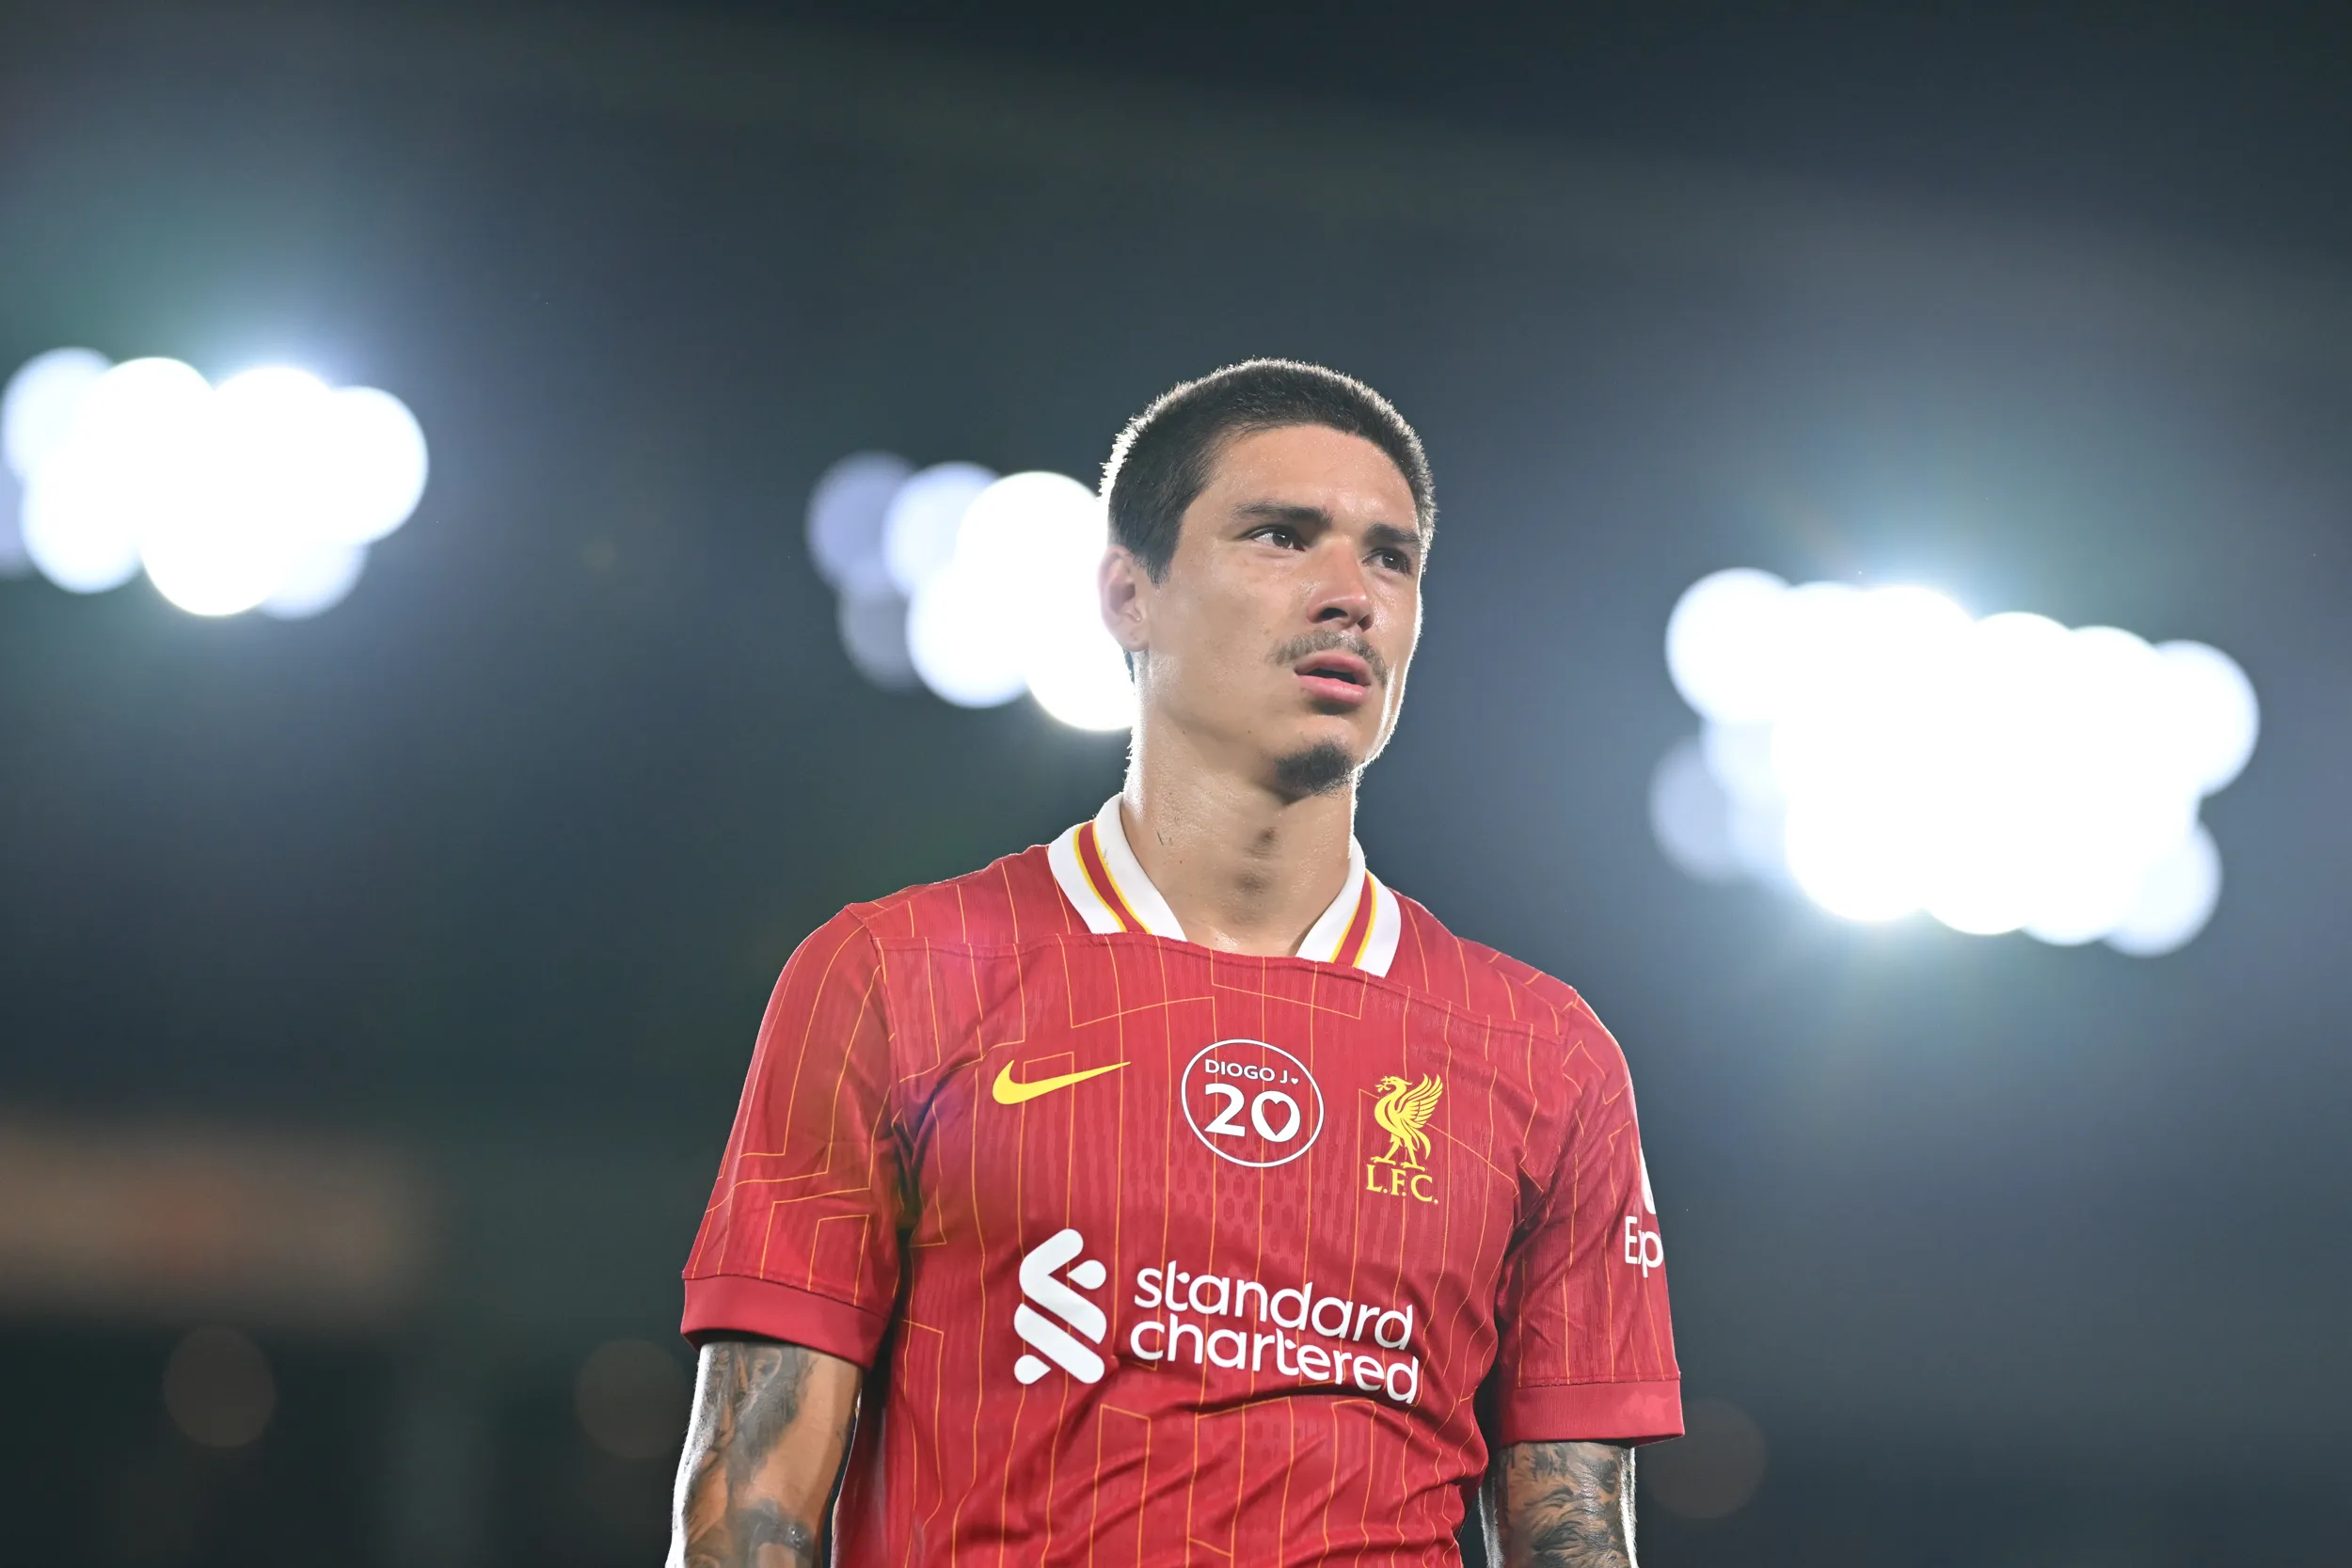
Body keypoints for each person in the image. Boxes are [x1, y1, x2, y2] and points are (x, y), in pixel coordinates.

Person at [670, 359, 1679, 1567]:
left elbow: (1577, 1534)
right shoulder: (891, 974)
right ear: (1126, 594)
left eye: (1390, 557)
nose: (1350, 595)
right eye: (1281, 536)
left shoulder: (1546, 1052)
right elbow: (750, 1515)